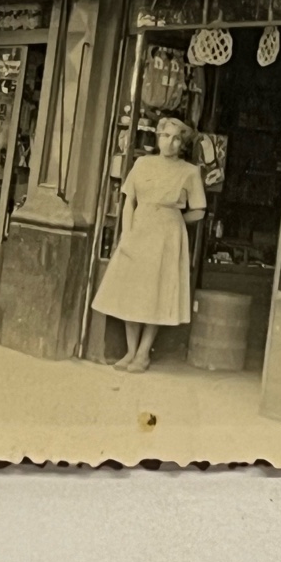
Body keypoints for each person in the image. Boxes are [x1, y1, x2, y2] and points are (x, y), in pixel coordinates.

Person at [91, 117, 207, 373]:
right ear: (158, 137)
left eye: (177, 138)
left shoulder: (189, 171)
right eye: (165, 136)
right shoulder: (142, 163)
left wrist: (174, 222)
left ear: (183, 144)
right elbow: (129, 201)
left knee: (157, 293)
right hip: (139, 231)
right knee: (132, 291)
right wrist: (127, 234)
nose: (170, 142)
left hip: (166, 238)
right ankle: (130, 351)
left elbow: (199, 211)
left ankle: (143, 353)